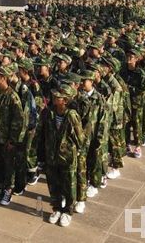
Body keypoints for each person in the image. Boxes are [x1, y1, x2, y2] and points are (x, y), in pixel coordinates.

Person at [41, 85, 84, 228]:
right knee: (53, 184)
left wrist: (75, 153)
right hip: (51, 156)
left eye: (58, 96)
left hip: (67, 158)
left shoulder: (71, 115)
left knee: (68, 185)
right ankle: (57, 208)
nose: (54, 97)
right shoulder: (49, 112)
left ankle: (67, 211)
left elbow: (80, 138)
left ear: (65, 100)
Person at [0, 65, 25, 207]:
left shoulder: (12, 96)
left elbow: (18, 120)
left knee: (9, 165)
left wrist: (13, 140)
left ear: (4, 78)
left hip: (7, 139)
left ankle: (8, 189)